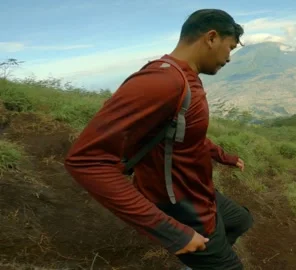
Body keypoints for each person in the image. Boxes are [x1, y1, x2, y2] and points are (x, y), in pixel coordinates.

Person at [64, 9, 253, 270]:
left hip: (198, 189)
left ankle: (204, 261)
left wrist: (225, 157)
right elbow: (86, 161)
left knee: (241, 221)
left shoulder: (186, 80)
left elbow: (186, 136)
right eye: (229, 48)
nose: (229, 58)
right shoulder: (162, 81)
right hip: (181, 201)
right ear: (211, 38)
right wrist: (172, 233)